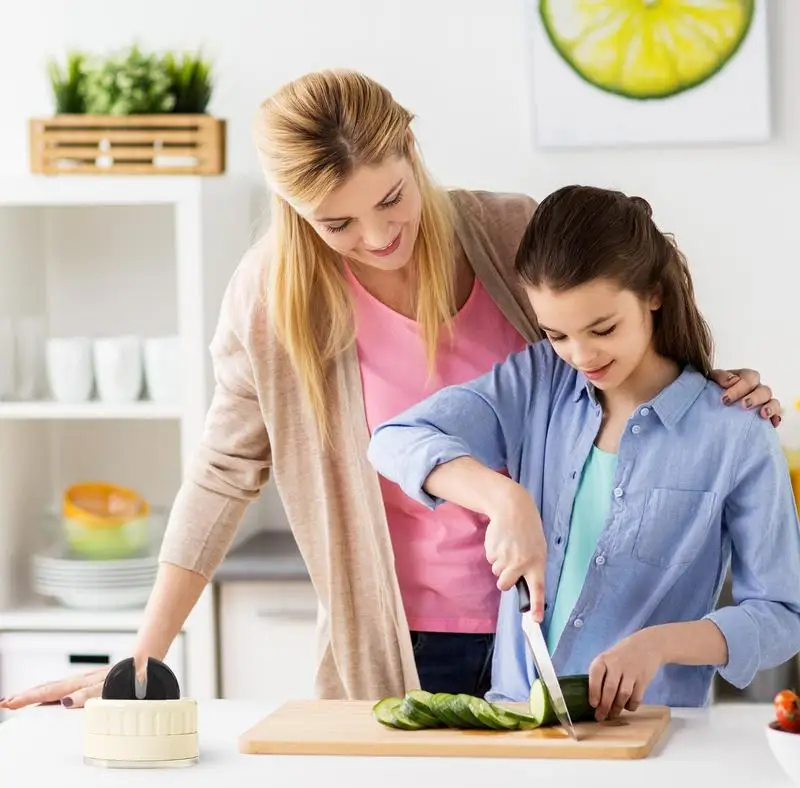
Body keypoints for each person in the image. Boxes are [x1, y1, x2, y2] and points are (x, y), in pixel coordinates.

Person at [0, 73, 782, 712]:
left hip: (544, 626)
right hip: (398, 631)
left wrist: (708, 386)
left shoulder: (510, 234)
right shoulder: (275, 299)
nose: (377, 238)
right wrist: (143, 656)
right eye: (337, 223)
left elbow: (611, 315)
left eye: (390, 199)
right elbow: (223, 471)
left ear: (411, 149)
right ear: (296, 212)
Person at [366, 184, 800, 718]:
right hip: (520, 719)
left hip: (655, 729)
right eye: (557, 335)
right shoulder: (536, 382)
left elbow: (783, 615)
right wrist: (504, 500)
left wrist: (659, 644)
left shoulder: (736, 432)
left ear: (654, 294)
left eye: (603, 329)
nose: (581, 355)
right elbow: (395, 439)